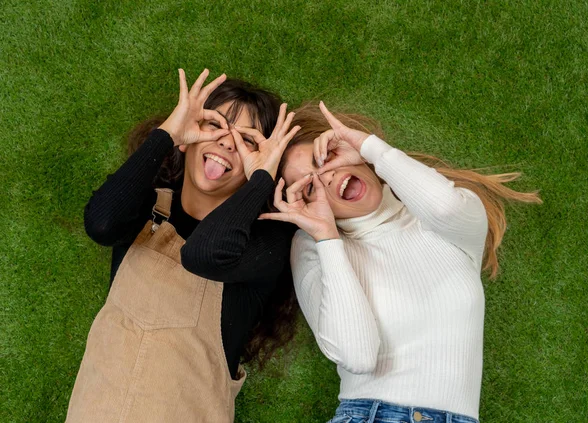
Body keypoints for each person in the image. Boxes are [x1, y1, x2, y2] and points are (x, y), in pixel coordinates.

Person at [260, 102, 541, 423]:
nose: (327, 177)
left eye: (323, 159)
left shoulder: (450, 221)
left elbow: (445, 208)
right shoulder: (316, 246)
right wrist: (325, 235)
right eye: (310, 188)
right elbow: (358, 355)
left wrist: (370, 150)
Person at [66, 69, 300, 423]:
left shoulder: (265, 242)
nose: (226, 142)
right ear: (189, 138)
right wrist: (168, 134)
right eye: (215, 125)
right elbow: (100, 223)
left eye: (248, 142)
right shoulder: (141, 208)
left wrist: (261, 181)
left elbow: (202, 256)